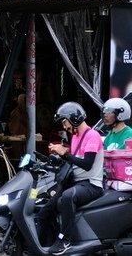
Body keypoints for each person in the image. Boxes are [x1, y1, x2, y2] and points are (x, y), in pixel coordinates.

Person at [39, 102, 104, 255]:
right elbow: (72, 161)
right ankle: (41, 247)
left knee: (67, 197)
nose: (64, 126)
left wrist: (65, 153)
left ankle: (65, 240)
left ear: (73, 118)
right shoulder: (75, 137)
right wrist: (58, 156)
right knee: (45, 211)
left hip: (91, 185)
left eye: (64, 121)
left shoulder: (92, 136)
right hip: (76, 183)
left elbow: (87, 164)